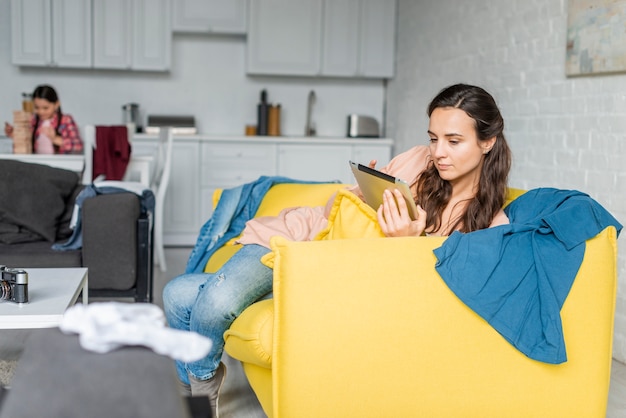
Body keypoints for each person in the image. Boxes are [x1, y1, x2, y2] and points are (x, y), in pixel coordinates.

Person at [163, 83, 512, 416]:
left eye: (453, 141)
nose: (438, 152)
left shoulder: (488, 223)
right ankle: (199, 407)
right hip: (304, 243)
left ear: (487, 142)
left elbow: (429, 299)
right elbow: (337, 209)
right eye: (434, 138)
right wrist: (362, 191)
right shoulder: (419, 161)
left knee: (183, 295)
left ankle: (195, 402)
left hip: (335, 279)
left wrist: (405, 245)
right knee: (178, 295)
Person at [4, 85, 83, 154]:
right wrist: (15, 135)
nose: (41, 112)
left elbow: (78, 146)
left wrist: (55, 138)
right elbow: (26, 142)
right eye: (37, 107)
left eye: (46, 108)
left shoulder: (66, 120)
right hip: (38, 164)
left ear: (56, 104)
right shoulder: (33, 120)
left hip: (60, 165)